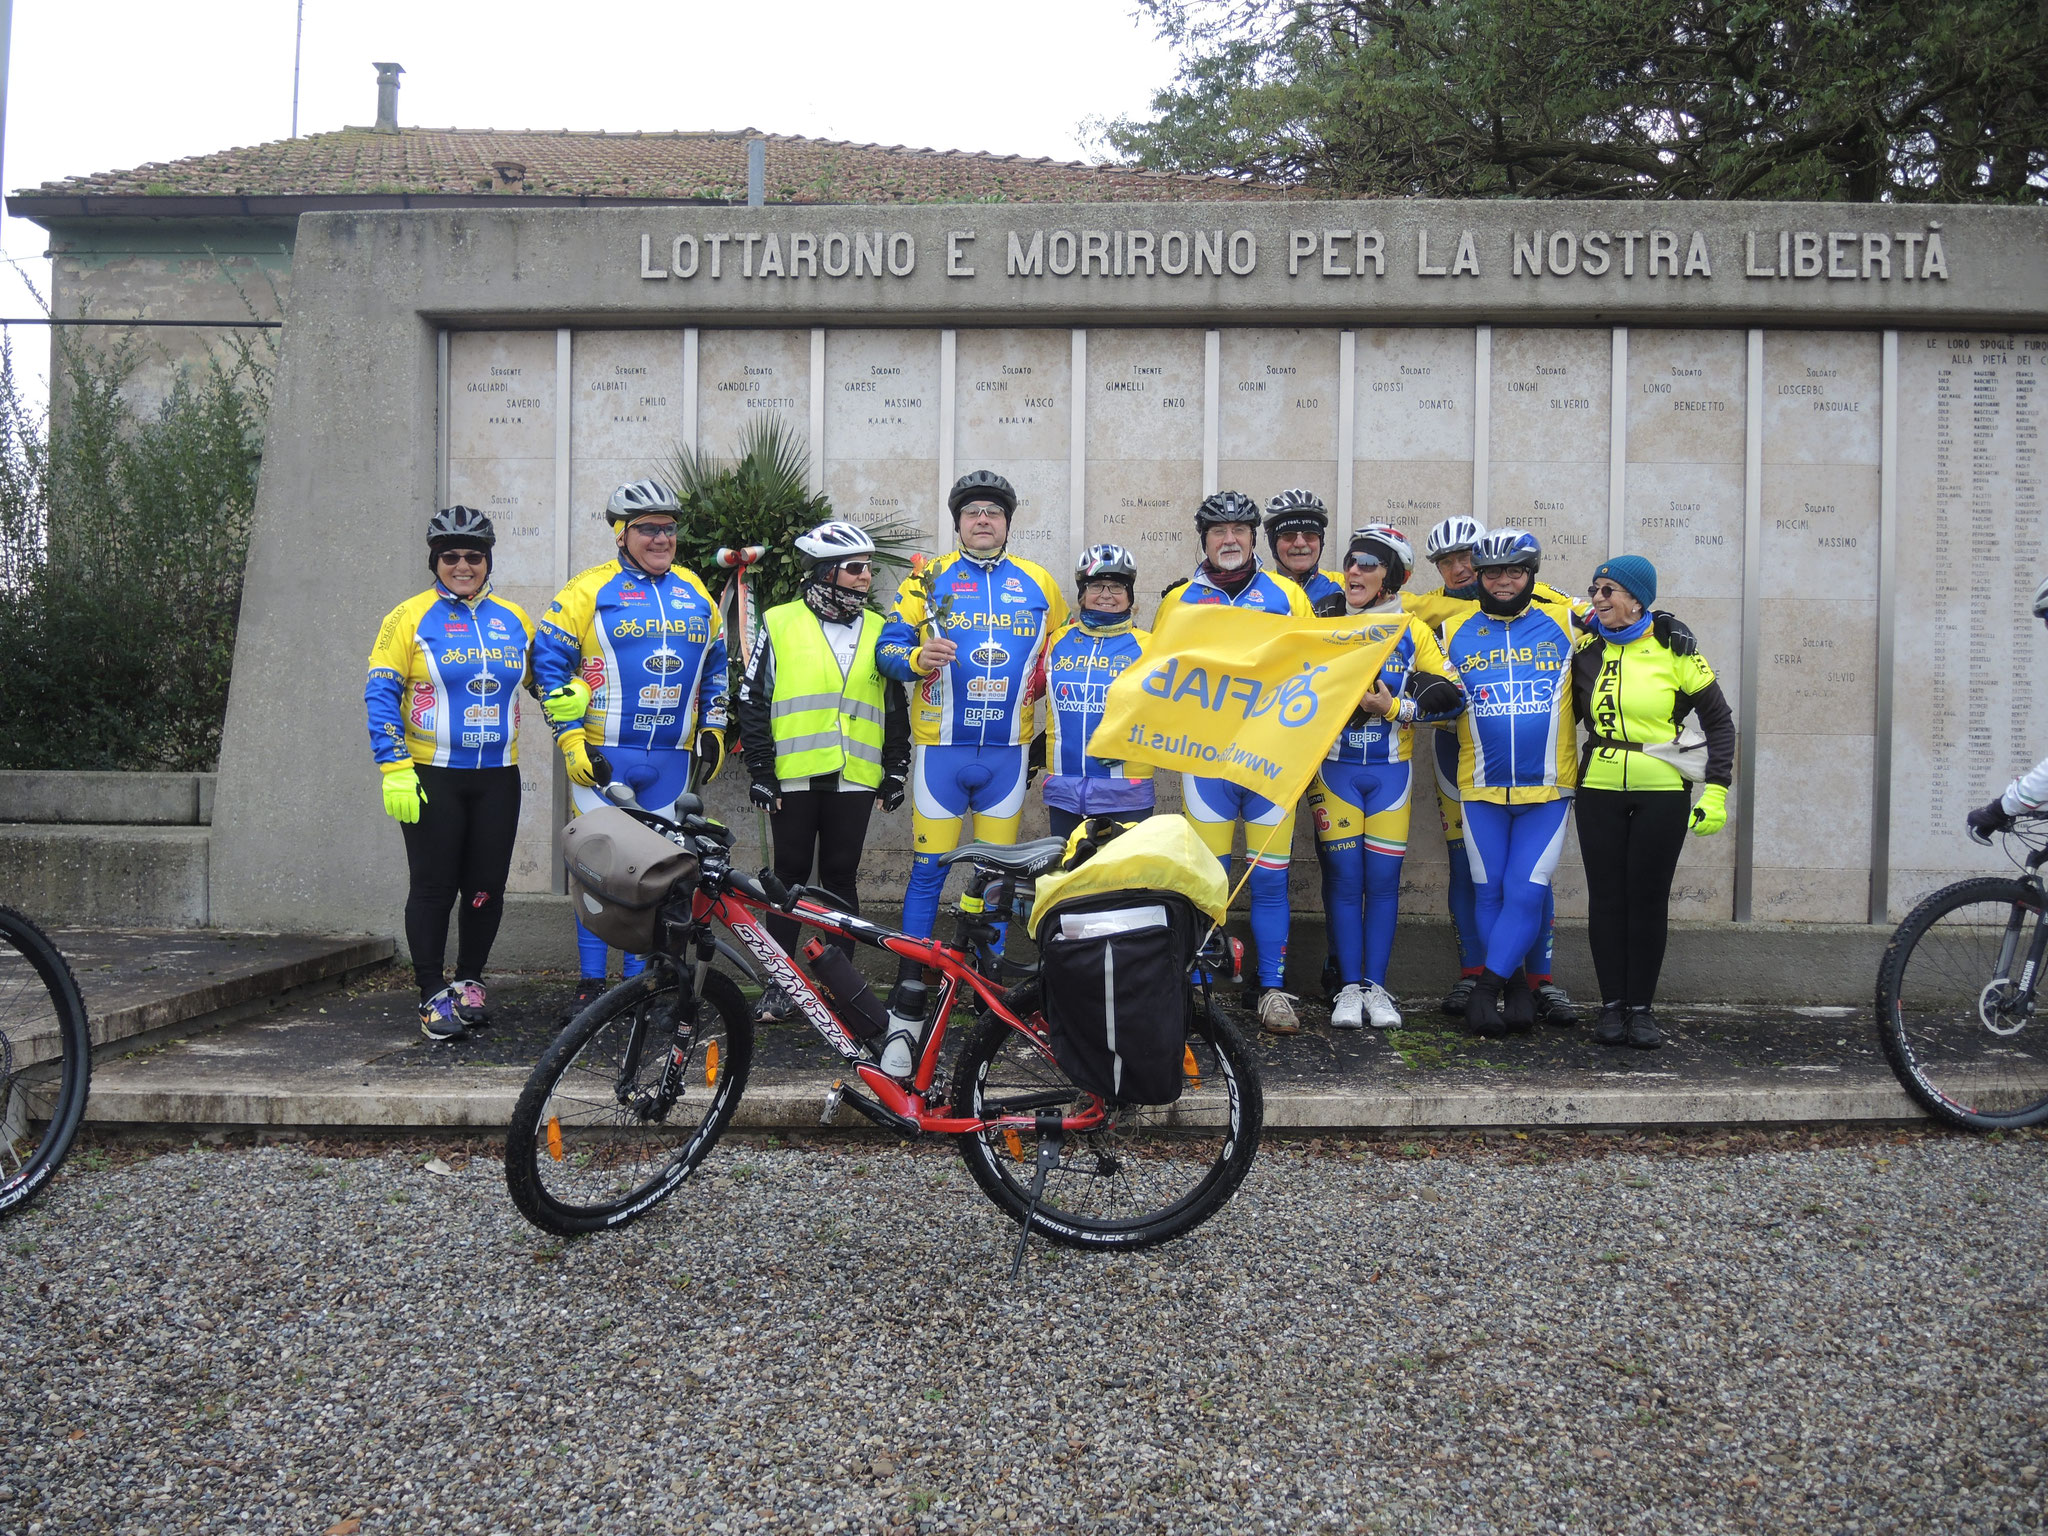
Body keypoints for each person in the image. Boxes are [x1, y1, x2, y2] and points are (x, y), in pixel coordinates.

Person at [876, 470, 1066, 1065]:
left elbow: (1066, 655)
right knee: (929, 871)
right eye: (972, 512)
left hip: (1008, 756)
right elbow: (886, 649)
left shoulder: (1039, 583)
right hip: (941, 751)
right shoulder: (927, 579)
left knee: (997, 881)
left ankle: (988, 1001)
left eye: (994, 512)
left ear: (1007, 523)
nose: (983, 520)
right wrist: (912, 657)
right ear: (958, 522)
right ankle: (910, 1001)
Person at [532, 479, 728, 1014]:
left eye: (668, 528)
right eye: (648, 529)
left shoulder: (694, 589)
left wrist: (713, 728)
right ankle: (593, 984)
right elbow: (547, 669)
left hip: (669, 759)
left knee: (659, 874)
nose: (662, 538)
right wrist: (572, 742)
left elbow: (716, 669)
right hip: (605, 754)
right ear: (621, 534)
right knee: (599, 870)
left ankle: (642, 982)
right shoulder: (586, 590)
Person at [364, 507, 534, 1041]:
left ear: (487, 561)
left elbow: (545, 682)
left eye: (474, 557)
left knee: (486, 887)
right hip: (431, 774)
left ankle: (470, 982)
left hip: (497, 776)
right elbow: (381, 693)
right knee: (434, 887)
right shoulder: (407, 616)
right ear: (435, 561)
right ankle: (430, 991)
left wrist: (568, 701)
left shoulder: (513, 618)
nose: (463, 566)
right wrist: (393, 766)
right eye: (451, 557)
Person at [1407, 516, 1581, 1027]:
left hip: (1547, 787)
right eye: (1491, 572)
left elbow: (1621, 616)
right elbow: (1389, 632)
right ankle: (1508, 990)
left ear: (1530, 574)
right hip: (1478, 783)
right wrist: (1411, 694)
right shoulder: (1448, 627)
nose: (1501, 581)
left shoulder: (1566, 619)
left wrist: (1662, 624)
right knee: (1487, 887)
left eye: (1514, 572)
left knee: (1527, 889)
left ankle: (1504, 987)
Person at [736, 521, 910, 1012]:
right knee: (788, 879)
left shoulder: (880, 628)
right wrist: (762, 773)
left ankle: (841, 986)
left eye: (868, 568)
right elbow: (751, 699)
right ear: (826, 572)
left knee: (840, 877)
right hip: (794, 774)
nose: (865, 577)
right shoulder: (779, 621)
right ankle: (781, 984)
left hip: (855, 775)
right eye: (855, 568)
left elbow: (894, 705)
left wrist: (895, 767)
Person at [1162, 490, 1315, 1033]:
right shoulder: (1179, 600)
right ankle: (1195, 988)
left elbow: (1313, 670)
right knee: (1206, 881)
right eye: (1219, 531)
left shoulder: (1286, 595)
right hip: (1206, 760)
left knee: (1271, 880)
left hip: (1271, 758)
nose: (1230, 540)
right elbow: (1161, 677)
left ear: (1255, 537)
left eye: (1240, 531)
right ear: (1203, 539)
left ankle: (1272, 990)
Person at [1570, 555, 1734, 1049]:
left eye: (1608, 591)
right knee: (1606, 901)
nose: (1597, 598)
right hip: (1598, 788)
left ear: (1636, 599)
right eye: (1595, 589)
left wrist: (1717, 790)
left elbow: (1720, 722)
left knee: (1646, 901)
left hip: (1662, 791)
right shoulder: (1585, 649)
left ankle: (1641, 1009)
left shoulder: (1676, 650)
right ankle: (1611, 1006)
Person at [1308, 524, 1464, 1029]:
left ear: (1392, 577)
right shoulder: (1323, 619)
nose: (1354, 571)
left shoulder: (1412, 628)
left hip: (1391, 775)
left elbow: (1453, 696)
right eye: (1351, 561)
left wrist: (1393, 706)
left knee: (1382, 882)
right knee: (1344, 881)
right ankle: (1348, 988)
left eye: (1368, 564)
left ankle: (1376, 986)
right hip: (1334, 774)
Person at [1029, 543, 1154, 843]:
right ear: (1083, 594)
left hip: (1127, 791)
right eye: (1097, 585)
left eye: (1117, 587)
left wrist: (1131, 740)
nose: (1107, 595)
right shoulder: (1059, 640)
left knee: (1121, 883)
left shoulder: (1149, 646)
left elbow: (1167, 714)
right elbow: (1025, 688)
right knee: (1068, 879)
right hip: (1065, 790)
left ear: (1130, 596)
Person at [1265, 488, 1343, 605]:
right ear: (1273, 543)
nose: (1300, 543)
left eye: (1310, 534)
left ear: (1321, 541)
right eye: (1288, 535)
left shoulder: (1344, 586)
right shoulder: (1258, 590)